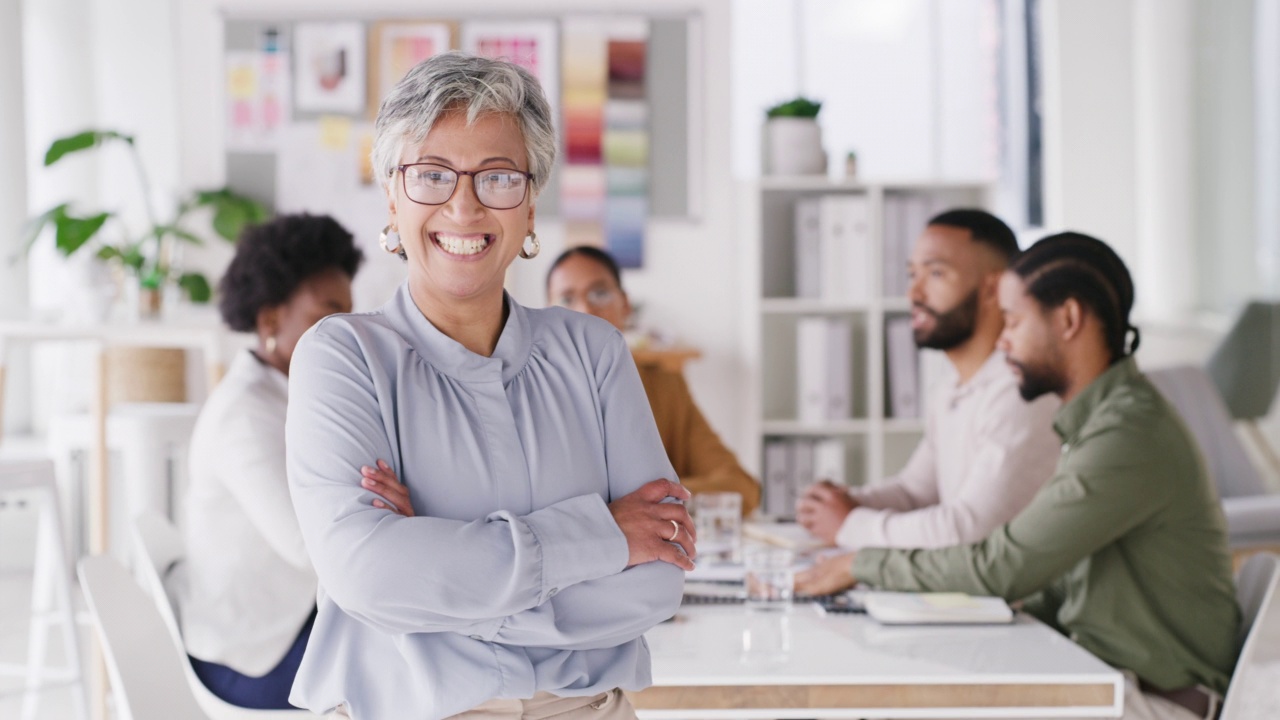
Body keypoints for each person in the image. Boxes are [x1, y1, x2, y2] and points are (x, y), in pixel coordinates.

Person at [284, 52, 692, 720]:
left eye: (498, 177)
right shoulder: (343, 356)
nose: (465, 205)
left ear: (531, 204)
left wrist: (440, 581)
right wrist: (599, 538)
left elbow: (656, 579)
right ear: (392, 196)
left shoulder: (593, 352)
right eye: (432, 175)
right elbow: (366, 574)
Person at [797, 232, 1240, 720]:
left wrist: (860, 564)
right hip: (1099, 675)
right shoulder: (1097, 422)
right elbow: (1046, 578)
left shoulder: (1127, 436)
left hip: (1151, 703)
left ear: (1068, 320)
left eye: (1013, 320)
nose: (1002, 338)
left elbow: (1002, 566)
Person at [180, 213, 413, 709]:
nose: (345, 332)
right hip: (251, 656)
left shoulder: (294, 394)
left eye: (349, 315)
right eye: (327, 316)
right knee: (422, 655)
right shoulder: (246, 415)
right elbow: (316, 551)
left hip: (291, 619)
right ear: (269, 321)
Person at [796, 209, 1059, 549]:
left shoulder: (1022, 391)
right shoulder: (950, 388)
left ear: (994, 288)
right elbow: (915, 492)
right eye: (911, 274)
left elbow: (971, 528)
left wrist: (851, 525)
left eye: (935, 273)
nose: (914, 294)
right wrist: (842, 504)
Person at [545, 246, 761, 515]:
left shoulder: (664, 385)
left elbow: (740, 487)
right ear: (546, 315)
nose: (586, 309)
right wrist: (657, 499)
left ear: (625, 304)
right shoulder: (531, 392)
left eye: (599, 293)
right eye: (566, 299)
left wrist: (647, 501)